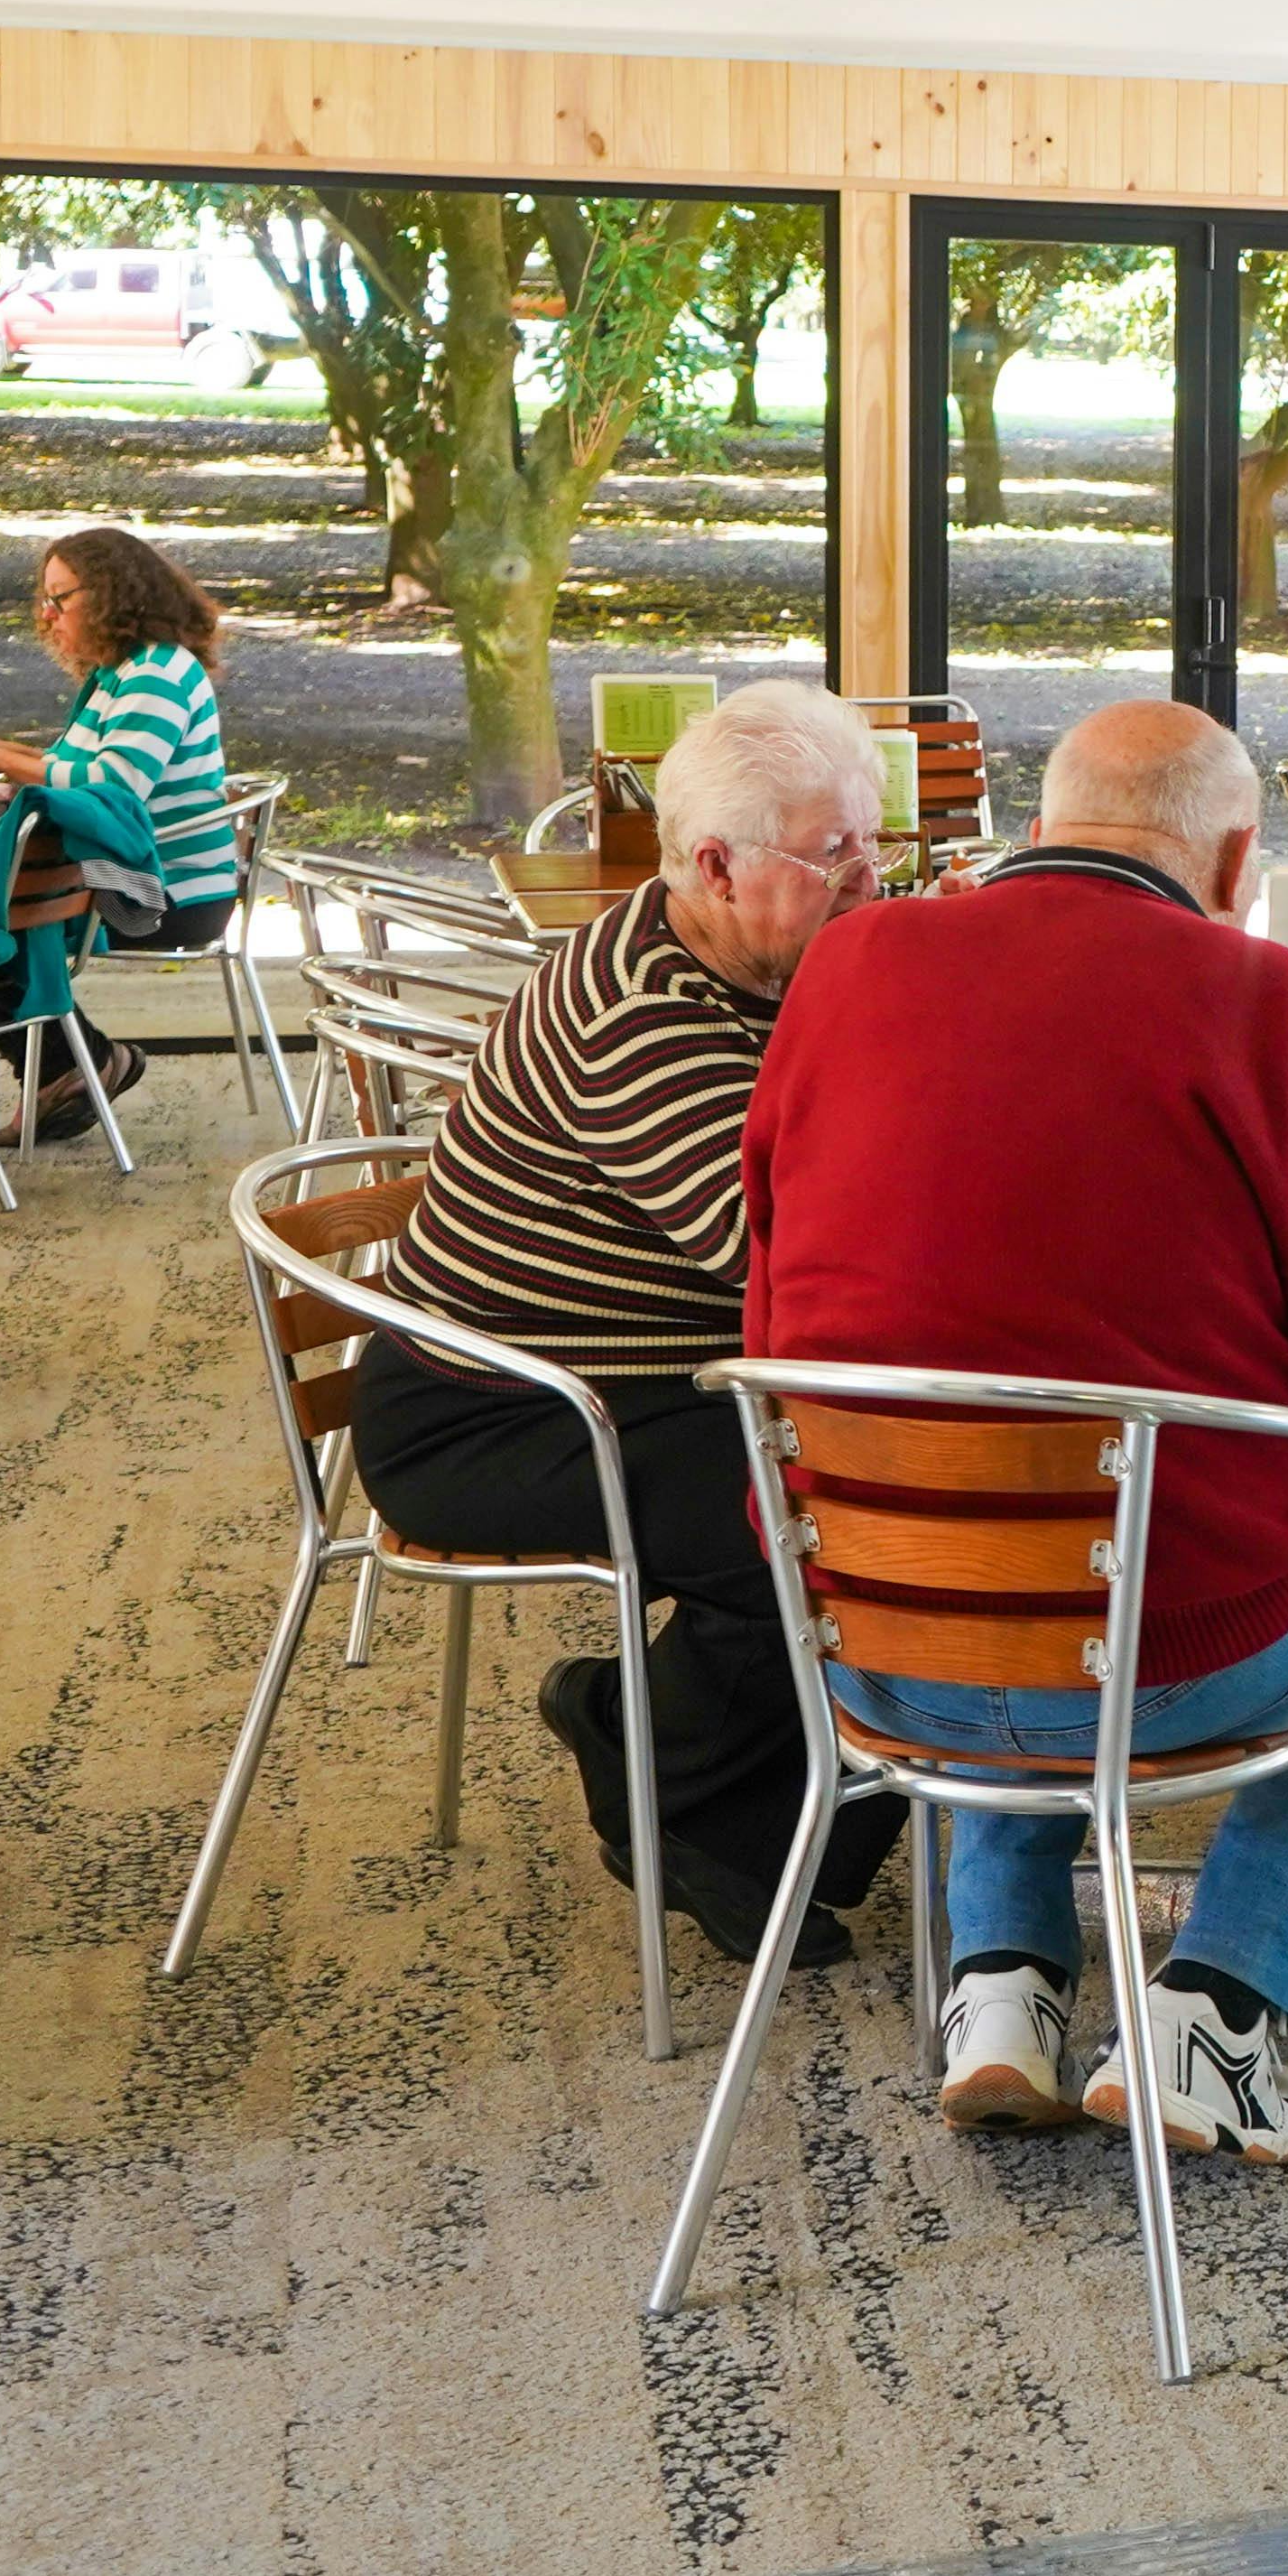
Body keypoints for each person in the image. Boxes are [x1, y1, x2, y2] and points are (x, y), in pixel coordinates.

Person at [750, 698, 1288, 2162]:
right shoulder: (1275, 1005)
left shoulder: (844, 968)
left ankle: (1005, 1983)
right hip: (1177, 1661)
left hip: (866, 1635)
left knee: (1018, 1490)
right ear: (1237, 860)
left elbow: (778, 1287)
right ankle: (1222, 1999)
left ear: (1041, 826)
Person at [351, 686, 903, 1968]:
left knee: (881, 1486)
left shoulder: (753, 958)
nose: (873, 882)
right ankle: (673, 1781)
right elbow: (785, 1268)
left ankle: (728, 1766)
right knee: (833, 1521)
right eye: (836, 857)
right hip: (496, 1410)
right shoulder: (640, 1013)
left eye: (879, 845)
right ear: (711, 863)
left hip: (645, 1370)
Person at [0, 525, 239, 1124]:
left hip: (166, 892)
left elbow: (114, 786)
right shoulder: (119, 675)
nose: (47, 616)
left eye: (60, 598)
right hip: (114, 876)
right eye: (44, 600)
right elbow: (74, 770)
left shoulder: (158, 673)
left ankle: (78, 1066)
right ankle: (71, 1070)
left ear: (111, 594)